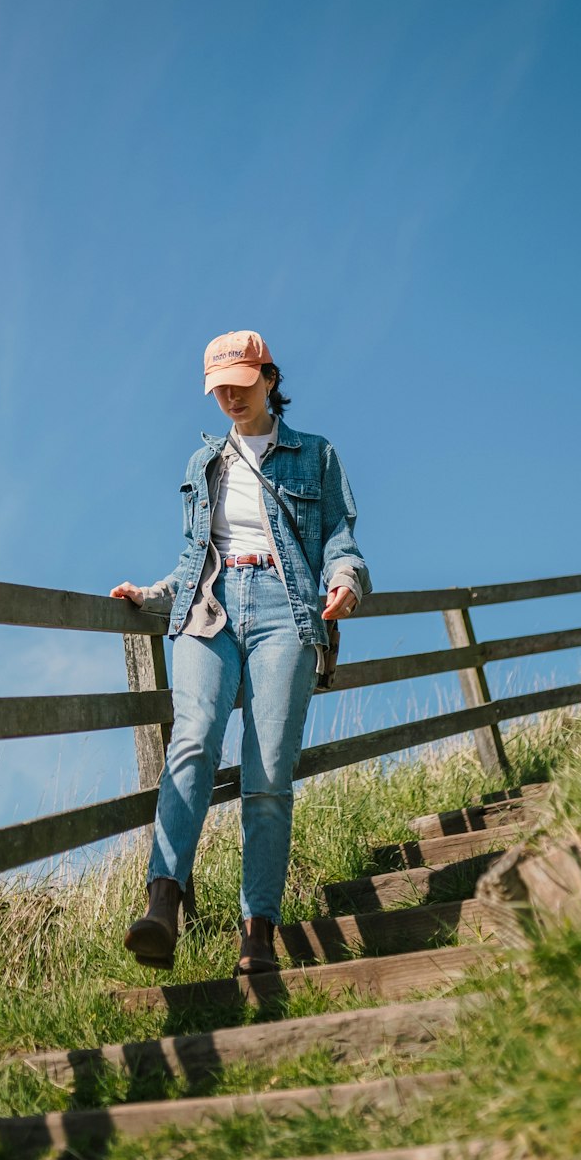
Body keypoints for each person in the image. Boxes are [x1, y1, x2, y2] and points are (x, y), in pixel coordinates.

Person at [110, 330, 371, 975]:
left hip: (286, 608)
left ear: (268, 376)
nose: (228, 396)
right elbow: (195, 553)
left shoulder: (316, 455)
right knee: (192, 739)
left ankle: (257, 933)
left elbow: (339, 536)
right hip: (211, 605)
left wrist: (344, 582)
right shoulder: (204, 464)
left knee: (267, 772)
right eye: (217, 387)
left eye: (239, 383)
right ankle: (162, 903)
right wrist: (154, 593)